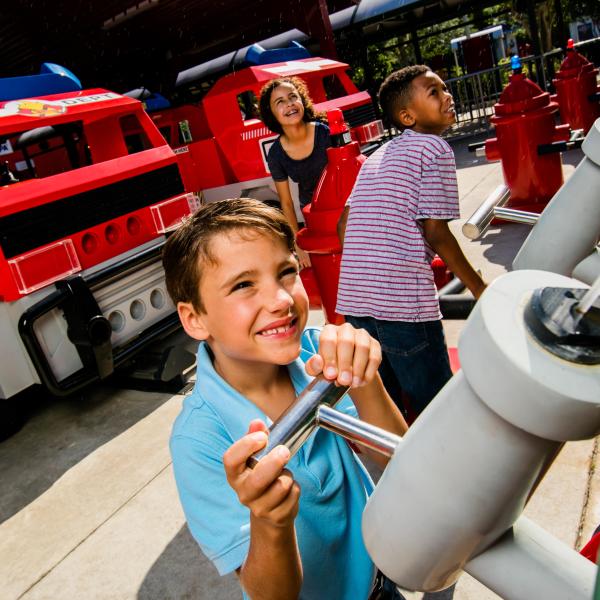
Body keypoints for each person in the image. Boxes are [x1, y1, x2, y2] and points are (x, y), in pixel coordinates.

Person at [163, 198, 408, 600]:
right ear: (195, 319)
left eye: (287, 272)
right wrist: (270, 521)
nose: (281, 300)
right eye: (243, 285)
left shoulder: (315, 354)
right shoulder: (198, 441)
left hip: (381, 583)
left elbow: (399, 460)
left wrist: (363, 379)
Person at [336, 65, 486, 420]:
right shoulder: (434, 150)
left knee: (387, 408)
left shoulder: (374, 158)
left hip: (356, 301)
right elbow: (435, 231)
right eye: (433, 92)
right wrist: (479, 287)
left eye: (445, 88)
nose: (447, 95)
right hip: (404, 306)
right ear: (407, 115)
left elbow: (344, 226)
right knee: (436, 407)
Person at [259, 76, 331, 268]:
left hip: (344, 208)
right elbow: (286, 203)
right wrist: (298, 245)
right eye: (280, 102)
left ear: (302, 99)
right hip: (314, 219)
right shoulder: (275, 154)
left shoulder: (325, 133)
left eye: (292, 97)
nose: (289, 104)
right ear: (271, 114)